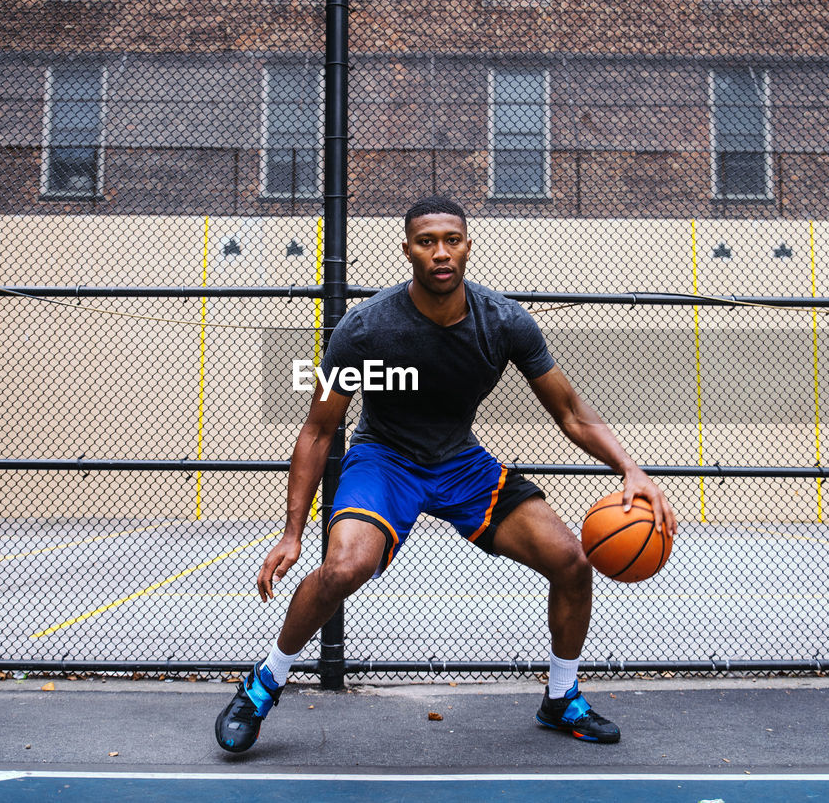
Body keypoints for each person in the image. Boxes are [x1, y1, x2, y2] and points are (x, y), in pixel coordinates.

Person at [215, 195, 678, 752]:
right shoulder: (366, 329)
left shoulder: (504, 322)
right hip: (385, 459)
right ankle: (263, 686)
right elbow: (317, 430)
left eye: (451, 240)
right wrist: (292, 531)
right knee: (343, 567)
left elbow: (571, 411)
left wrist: (633, 470)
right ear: (407, 249)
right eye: (426, 241)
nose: (440, 252)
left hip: (460, 463)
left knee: (573, 563)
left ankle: (561, 698)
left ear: (467, 246)